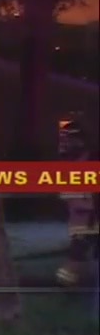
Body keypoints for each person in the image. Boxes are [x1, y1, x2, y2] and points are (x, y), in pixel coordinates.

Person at [54, 114, 98, 291]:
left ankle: (67, 284)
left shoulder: (92, 161)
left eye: (69, 138)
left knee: (77, 255)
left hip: (90, 220)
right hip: (80, 221)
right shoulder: (68, 165)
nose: (65, 143)